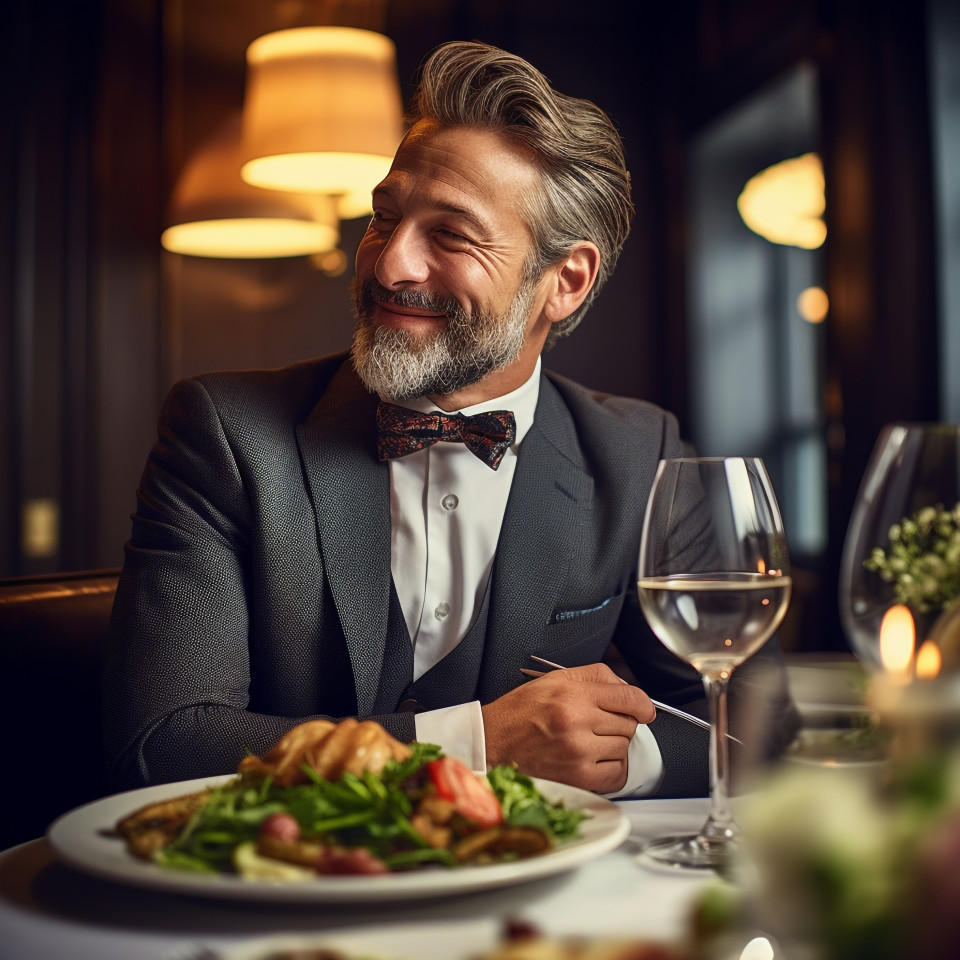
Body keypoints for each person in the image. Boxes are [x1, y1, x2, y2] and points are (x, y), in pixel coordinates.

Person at [103, 41, 798, 798]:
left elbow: (753, 716)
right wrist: (473, 747)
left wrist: (620, 758)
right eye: (385, 217)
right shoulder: (225, 433)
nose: (389, 263)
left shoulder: (639, 453)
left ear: (564, 282)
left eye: (450, 234)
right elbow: (161, 745)